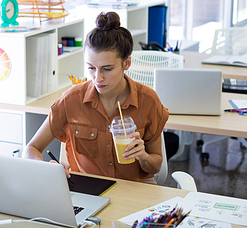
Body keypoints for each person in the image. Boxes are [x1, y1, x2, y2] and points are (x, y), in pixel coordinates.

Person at [23, 11, 168, 184]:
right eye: (91, 68)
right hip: (88, 190)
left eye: (107, 69)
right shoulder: (71, 100)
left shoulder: (148, 101)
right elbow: (31, 149)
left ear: (126, 63)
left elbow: (155, 166)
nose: (98, 78)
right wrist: (47, 168)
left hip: (135, 188)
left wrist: (143, 156)